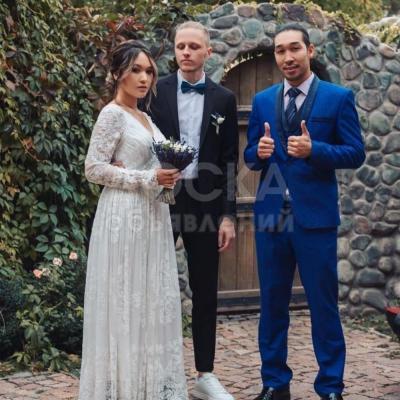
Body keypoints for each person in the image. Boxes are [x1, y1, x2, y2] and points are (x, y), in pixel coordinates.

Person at [244, 23, 365, 400]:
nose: (287, 57)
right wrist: (258, 153)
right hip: (271, 218)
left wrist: (316, 150)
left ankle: (330, 386)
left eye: (294, 48)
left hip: (316, 219)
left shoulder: (338, 97)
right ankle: (274, 383)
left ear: (309, 51)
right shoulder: (262, 100)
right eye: (280, 50)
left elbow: (355, 153)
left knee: (323, 306)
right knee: (272, 305)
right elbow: (250, 156)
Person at [79, 40, 187, 400]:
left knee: (149, 300)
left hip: (153, 216)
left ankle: (146, 386)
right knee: (125, 299)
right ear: (117, 74)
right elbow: (93, 168)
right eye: (135, 70)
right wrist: (145, 178)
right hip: (123, 215)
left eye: (149, 71)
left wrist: (167, 176)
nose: (144, 78)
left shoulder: (146, 117)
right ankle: (121, 390)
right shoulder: (112, 114)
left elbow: (151, 167)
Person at [150, 21, 239, 400]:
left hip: (205, 204)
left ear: (208, 52)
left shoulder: (224, 99)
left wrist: (229, 215)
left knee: (205, 291)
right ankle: (153, 371)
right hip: (160, 200)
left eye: (193, 46)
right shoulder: (155, 91)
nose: (185, 52)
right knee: (151, 285)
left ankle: (205, 375)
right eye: (180, 46)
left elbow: (230, 160)